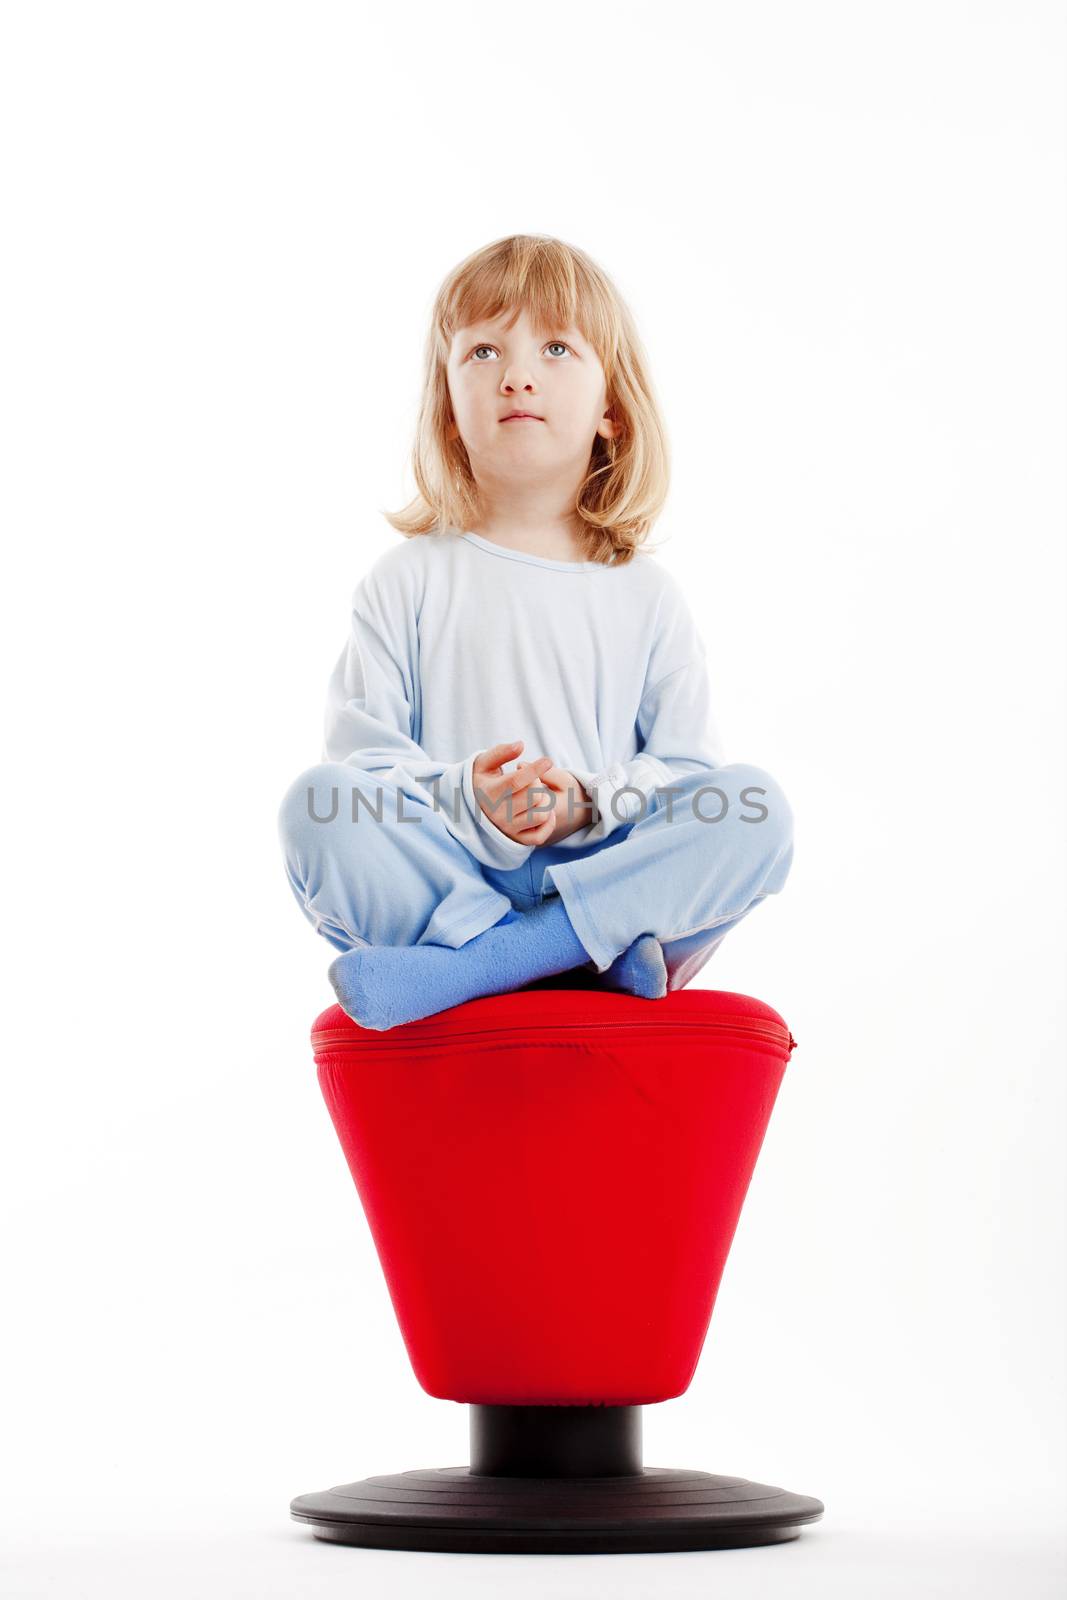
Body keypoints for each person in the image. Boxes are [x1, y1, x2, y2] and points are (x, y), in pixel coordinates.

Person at [277, 234, 794, 1031]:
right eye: (483, 350)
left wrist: (586, 805)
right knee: (317, 805)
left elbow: (687, 771)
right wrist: (469, 799)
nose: (517, 373)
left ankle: (495, 965)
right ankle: (549, 955)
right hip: (454, 885)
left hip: (607, 876)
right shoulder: (404, 581)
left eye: (556, 347)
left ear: (612, 412)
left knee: (756, 809)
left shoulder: (646, 596)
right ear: (449, 411)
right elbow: (366, 762)